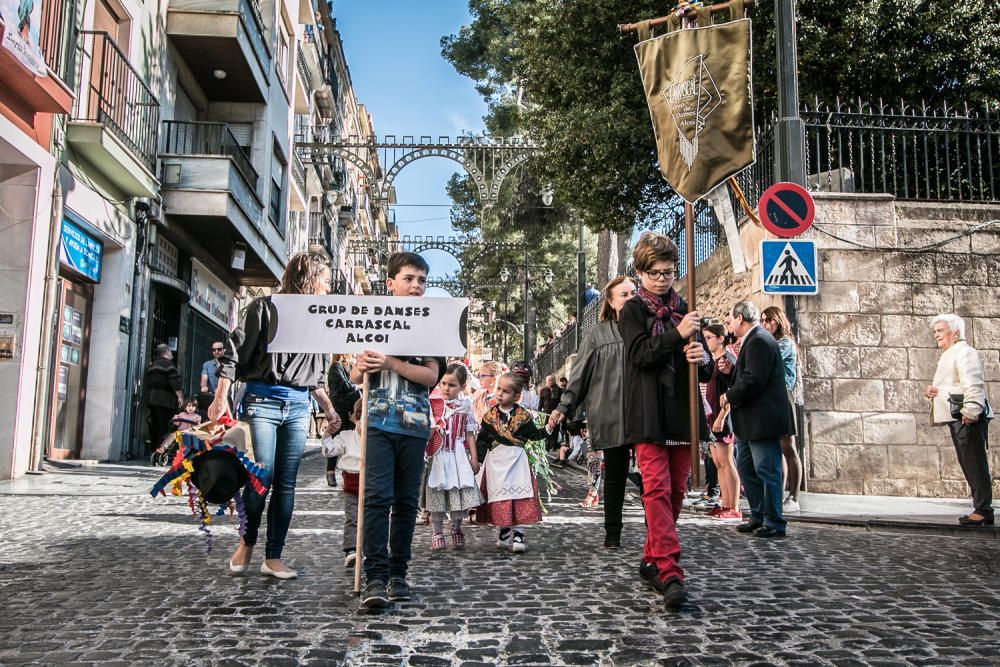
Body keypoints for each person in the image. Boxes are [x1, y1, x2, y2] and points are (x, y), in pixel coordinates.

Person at [209, 252, 342, 580]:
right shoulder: (265, 308)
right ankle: (247, 542)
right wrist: (220, 397)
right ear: (309, 279)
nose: (328, 288)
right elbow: (233, 352)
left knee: (286, 485)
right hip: (262, 403)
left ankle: (274, 556)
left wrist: (329, 409)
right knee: (261, 478)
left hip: (298, 408)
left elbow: (313, 377)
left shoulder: (319, 322)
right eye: (325, 281)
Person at [619, 231, 711, 609]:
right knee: (654, 488)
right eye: (654, 272)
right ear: (640, 271)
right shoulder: (632, 310)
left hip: (682, 413)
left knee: (675, 492)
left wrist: (701, 357)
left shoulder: (684, 309)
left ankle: (650, 558)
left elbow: (702, 368)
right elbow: (641, 354)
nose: (661, 279)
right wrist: (678, 335)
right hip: (648, 411)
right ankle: (670, 569)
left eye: (669, 272)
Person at [350, 252, 443, 609]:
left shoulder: (432, 327)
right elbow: (358, 378)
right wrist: (361, 366)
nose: (416, 286)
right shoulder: (372, 321)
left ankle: (397, 573)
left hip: (415, 426)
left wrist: (392, 362)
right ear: (391, 283)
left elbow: (431, 377)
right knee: (375, 499)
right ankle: (374, 576)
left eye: (421, 280)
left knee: (405, 503)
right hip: (377, 424)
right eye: (409, 279)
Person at [549, 275, 637, 544]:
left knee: (652, 475)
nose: (631, 298)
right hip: (610, 413)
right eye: (624, 294)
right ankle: (613, 532)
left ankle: (658, 533)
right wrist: (564, 407)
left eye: (634, 292)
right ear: (610, 302)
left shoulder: (647, 328)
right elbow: (580, 375)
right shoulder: (598, 333)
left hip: (643, 412)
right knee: (615, 474)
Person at [718, 300, 794, 540]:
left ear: (740, 318)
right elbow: (748, 376)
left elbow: (754, 380)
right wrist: (731, 374)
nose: (729, 325)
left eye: (730, 319)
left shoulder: (760, 340)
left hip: (762, 419)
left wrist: (729, 395)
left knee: (766, 470)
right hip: (749, 420)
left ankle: (774, 520)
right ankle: (759, 515)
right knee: (748, 469)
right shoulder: (754, 340)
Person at [925, 314, 994, 526]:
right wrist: (934, 391)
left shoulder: (965, 352)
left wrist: (972, 411)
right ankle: (981, 507)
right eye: (935, 331)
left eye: (940, 330)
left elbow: (973, 384)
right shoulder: (950, 353)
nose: (936, 335)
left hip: (966, 417)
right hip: (959, 416)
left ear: (955, 333)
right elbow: (952, 384)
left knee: (974, 462)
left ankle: (983, 510)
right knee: (969, 462)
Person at [475, 372, 552, 553]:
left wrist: (547, 429)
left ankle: (518, 534)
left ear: (516, 396)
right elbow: (482, 441)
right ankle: (503, 531)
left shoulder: (523, 416)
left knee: (519, 496)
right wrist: (476, 460)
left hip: (517, 461)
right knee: (501, 497)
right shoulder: (489, 417)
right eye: (499, 389)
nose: (500, 394)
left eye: (506, 391)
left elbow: (533, 435)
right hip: (496, 462)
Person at [421, 364, 482, 550]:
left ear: (463, 387)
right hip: (439, 454)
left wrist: (474, 457)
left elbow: (469, 433)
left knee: (458, 491)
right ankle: (437, 531)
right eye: (444, 383)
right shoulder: (433, 404)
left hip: (457, 455)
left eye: (452, 385)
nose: (446, 388)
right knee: (437, 492)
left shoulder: (465, 406)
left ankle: (456, 527)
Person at [760, 306, 803, 512]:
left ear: (777, 320)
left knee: (789, 447)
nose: (765, 325)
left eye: (768, 320)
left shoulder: (784, 343)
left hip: (784, 395)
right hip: (773, 397)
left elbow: (769, 359)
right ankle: (780, 494)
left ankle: (794, 496)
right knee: (778, 448)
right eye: (762, 321)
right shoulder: (773, 342)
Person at [702, 323, 742, 520]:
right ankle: (724, 502)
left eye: (709, 337)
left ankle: (733, 506)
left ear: (720, 338)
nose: (706, 341)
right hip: (712, 416)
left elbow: (730, 391)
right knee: (718, 462)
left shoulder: (727, 360)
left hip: (722, 416)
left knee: (727, 461)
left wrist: (721, 416)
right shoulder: (715, 360)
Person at [322, 398, 363, 567]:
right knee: (352, 518)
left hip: (372, 484)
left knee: (372, 517)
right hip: (351, 484)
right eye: (361, 419)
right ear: (354, 418)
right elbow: (330, 450)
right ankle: (351, 550)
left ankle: (371, 548)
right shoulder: (346, 437)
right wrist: (327, 434)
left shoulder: (377, 439)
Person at [325, 354, 361, 487]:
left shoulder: (350, 367)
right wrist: (359, 386)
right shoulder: (336, 367)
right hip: (340, 409)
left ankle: (347, 470)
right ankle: (330, 472)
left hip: (350, 408)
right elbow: (344, 386)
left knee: (350, 441)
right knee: (336, 439)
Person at [144, 344, 184, 454]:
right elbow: (174, 382)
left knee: (155, 426)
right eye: (170, 352)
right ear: (166, 352)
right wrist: (180, 397)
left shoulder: (152, 366)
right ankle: (162, 450)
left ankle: (154, 449)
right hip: (165, 401)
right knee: (165, 427)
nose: (172, 354)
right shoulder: (169, 365)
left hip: (152, 401)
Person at [538, 375, 563, 451]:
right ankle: (546, 446)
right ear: (546, 382)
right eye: (548, 380)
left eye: (551, 380)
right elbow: (541, 402)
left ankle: (553, 446)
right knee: (547, 428)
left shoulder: (559, 390)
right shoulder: (543, 390)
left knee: (555, 429)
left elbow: (561, 402)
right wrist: (539, 412)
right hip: (546, 413)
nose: (550, 382)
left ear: (554, 381)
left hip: (555, 413)